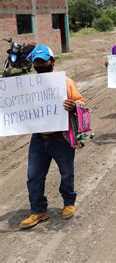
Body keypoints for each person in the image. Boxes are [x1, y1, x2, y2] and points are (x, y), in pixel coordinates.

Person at [20, 45, 85, 229]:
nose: (40, 65)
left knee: (66, 173)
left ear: (52, 62)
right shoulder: (27, 86)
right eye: (37, 62)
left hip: (61, 137)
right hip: (38, 138)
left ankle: (69, 202)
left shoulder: (65, 82)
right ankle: (38, 210)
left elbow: (80, 101)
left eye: (43, 61)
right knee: (34, 175)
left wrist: (73, 106)